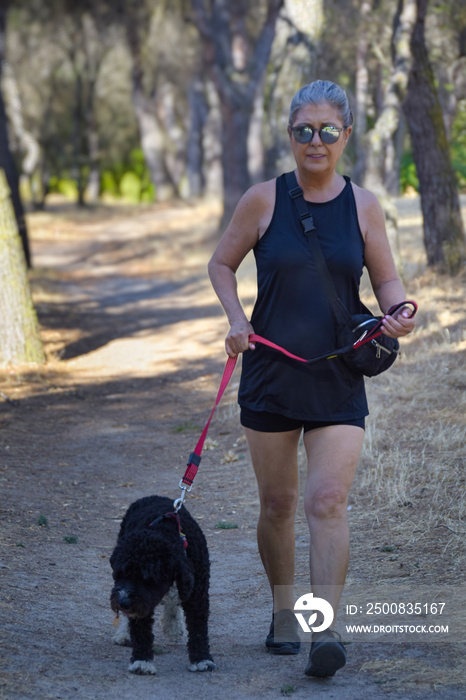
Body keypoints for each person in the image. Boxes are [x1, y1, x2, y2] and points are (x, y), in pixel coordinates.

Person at [208, 80, 416, 678]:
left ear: (346, 135)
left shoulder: (365, 205)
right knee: (277, 504)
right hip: (271, 373)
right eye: (305, 131)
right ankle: (282, 611)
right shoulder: (262, 200)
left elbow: (388, 281)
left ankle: (325, 626)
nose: (316, 141)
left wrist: (397, 313)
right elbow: (222, 263)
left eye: (328, 130)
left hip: (338, 374)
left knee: (327, 501)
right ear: (290, 136)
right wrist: (237, 319)